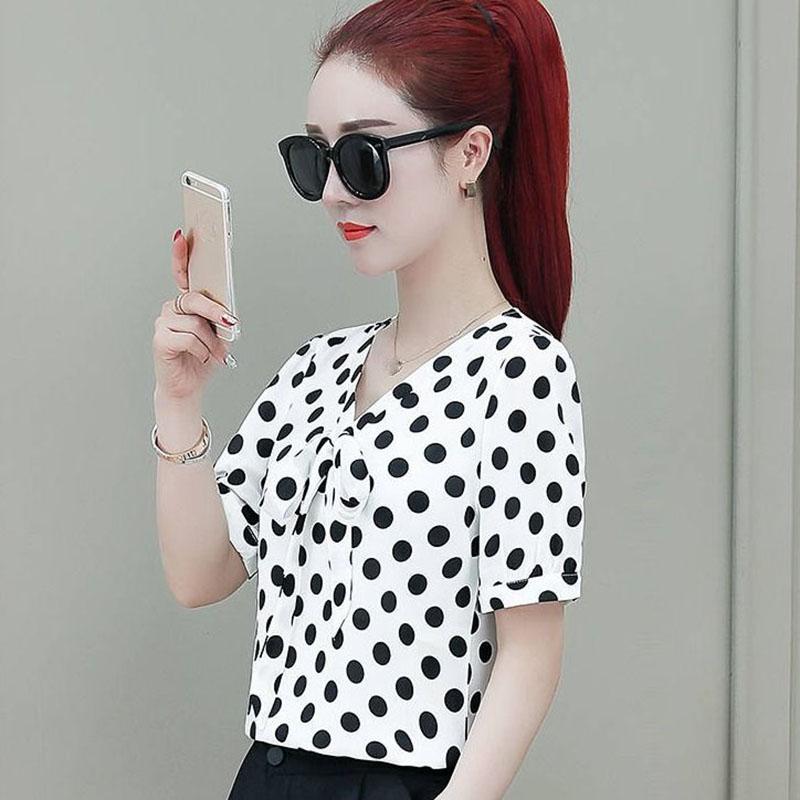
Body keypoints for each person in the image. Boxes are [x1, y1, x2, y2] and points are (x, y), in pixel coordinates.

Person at [151, 1, 586, 798]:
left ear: (469, 154)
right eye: (313, 159)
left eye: (363, 156)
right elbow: (200, 574)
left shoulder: (520, 372)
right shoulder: (315, 369)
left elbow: (531, 654)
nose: (333, 193)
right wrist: (179, 400)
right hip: (269, 776)